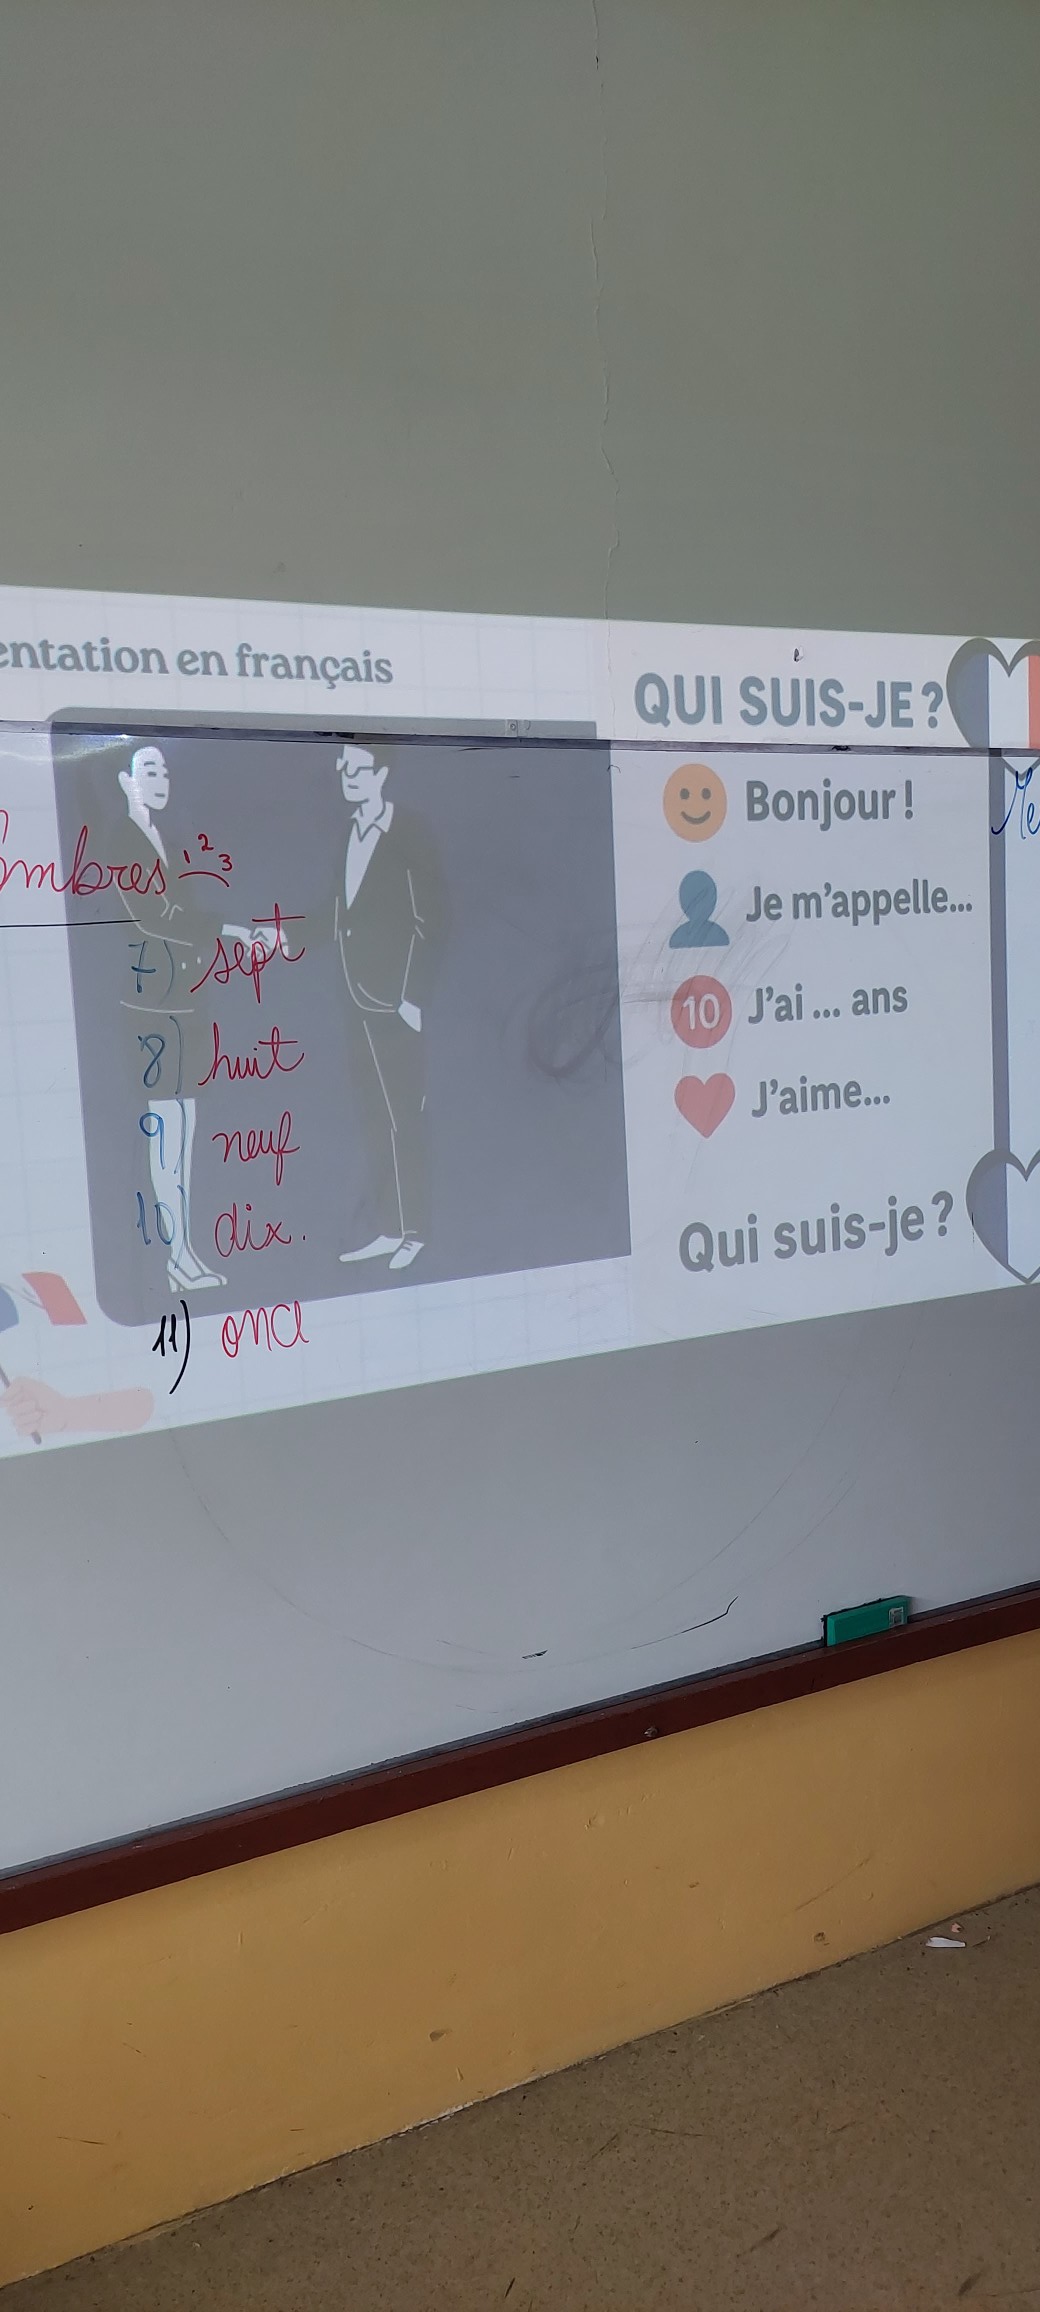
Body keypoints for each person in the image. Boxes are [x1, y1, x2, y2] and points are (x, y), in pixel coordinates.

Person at [114, 744, 274, 1293]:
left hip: (184, 1003)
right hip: (152, 1012)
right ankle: (175, 1255)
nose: (161, 777)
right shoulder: (122, 840)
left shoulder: (164, 840)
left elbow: (177, 914)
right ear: (125, 780)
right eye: (148, 769)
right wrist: (234, 931)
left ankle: (184, 1252)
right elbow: (156, 917)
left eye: (164, 769)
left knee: (185, 1130)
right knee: (168, 1132)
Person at [329, 743, 446, 1272]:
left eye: (356, 768)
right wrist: (280, 936)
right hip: (356, 1000)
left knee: (405, 1119)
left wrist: (411, 1000)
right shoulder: (348, 832)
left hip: (396, 1005)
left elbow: (433, 920)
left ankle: (415, 1233)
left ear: (381, 773)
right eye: (342, 767)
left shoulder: (409, 831)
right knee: (373, 1116)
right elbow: (340, 914)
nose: (346, 776)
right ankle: (389, 1227)